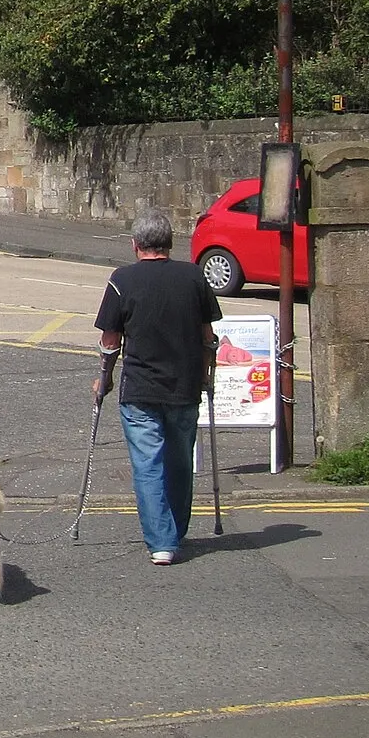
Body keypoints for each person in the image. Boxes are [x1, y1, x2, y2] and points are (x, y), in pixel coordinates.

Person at [92, 207, 221, 565]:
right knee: (180, 462)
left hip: (141, 390)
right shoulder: (194, 277)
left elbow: (110, 341)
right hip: (184, 387)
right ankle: (175, 532)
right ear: (170, 242)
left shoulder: (122, 280)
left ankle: (161, 542)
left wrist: (104, 377)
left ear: (135, 245)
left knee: (148, 465)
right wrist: (208, 372)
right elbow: (208, 337)